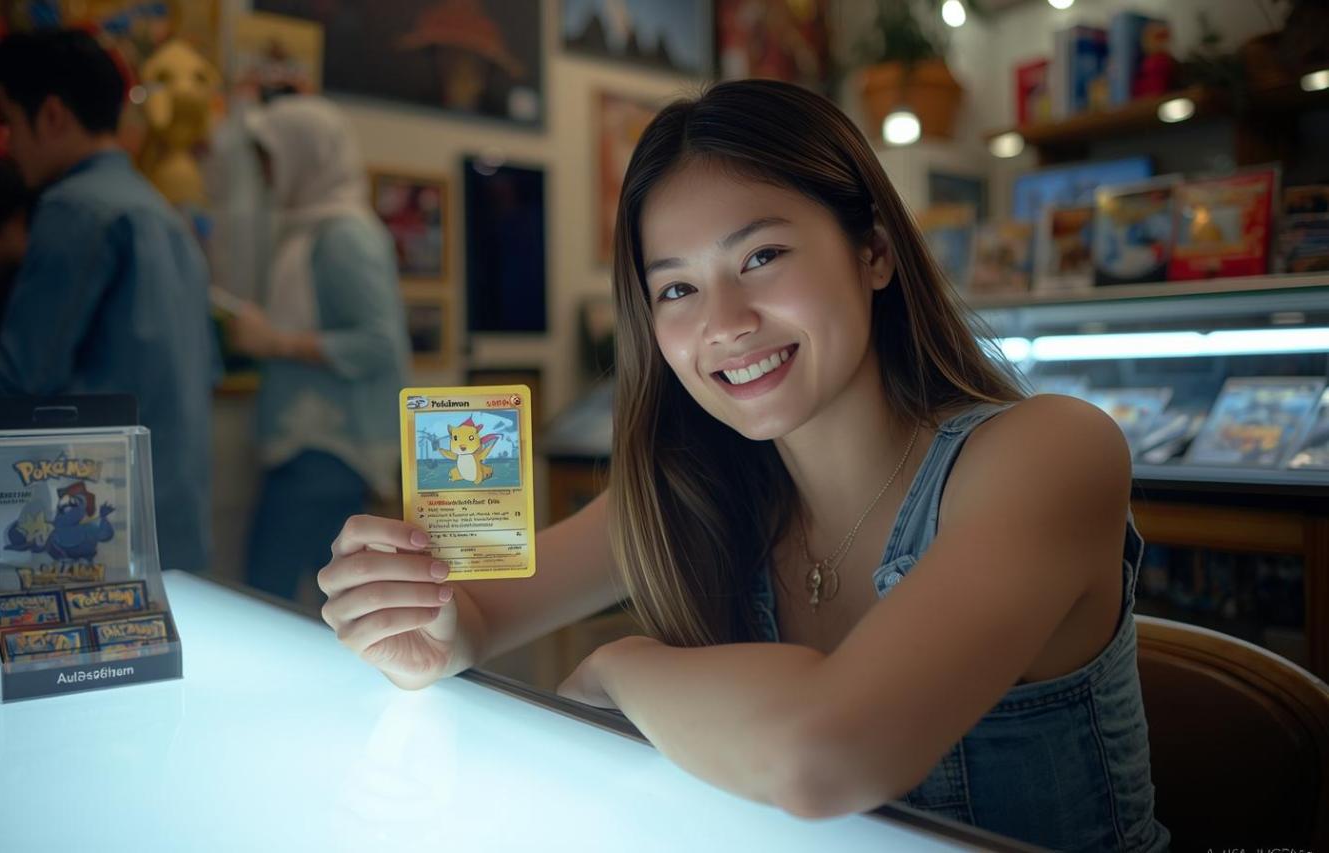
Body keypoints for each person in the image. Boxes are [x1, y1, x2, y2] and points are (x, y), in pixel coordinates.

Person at [315, 80, 1167, 851]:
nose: (724, 321)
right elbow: (475, 618)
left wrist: (622, 665)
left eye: (760, 258)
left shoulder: (1052, 451)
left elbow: (825, 754)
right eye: (677, 289)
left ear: (874, 251)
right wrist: (414, 619)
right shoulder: (702, 487)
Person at [0, 30, 217, 575]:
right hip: (175, 517)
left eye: (8, 121)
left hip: (97, 521)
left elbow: (24, 373)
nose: (5, 144)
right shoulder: (160, 213)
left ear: (50, 115)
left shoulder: (74, 207)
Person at [218, 96, 410, 602]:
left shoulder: (343, 236)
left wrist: (273, 341)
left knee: (273, 603)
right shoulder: (309, 230)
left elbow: (379, 343)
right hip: (309, 448)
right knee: (284, 603)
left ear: (306, 156)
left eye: (271, 158)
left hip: (328, 451)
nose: (263, 173)